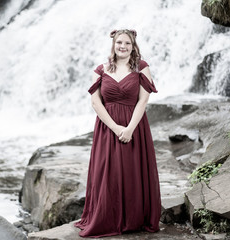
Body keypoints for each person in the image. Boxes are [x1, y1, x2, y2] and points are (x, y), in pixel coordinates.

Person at [74, 29, 161, 238]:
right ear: (113, 44)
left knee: (133, 170)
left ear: (133, 46)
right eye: (119, 43)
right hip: (107, 128)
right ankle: (107, 217)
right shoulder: (101, 70)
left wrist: (129, 128)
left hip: (135, 127)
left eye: (127, 44)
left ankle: (133, 219)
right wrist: (116, 128)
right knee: (108, 172)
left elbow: (143, 100)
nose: (123, 46)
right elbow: (96, 102)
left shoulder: (141, 67)